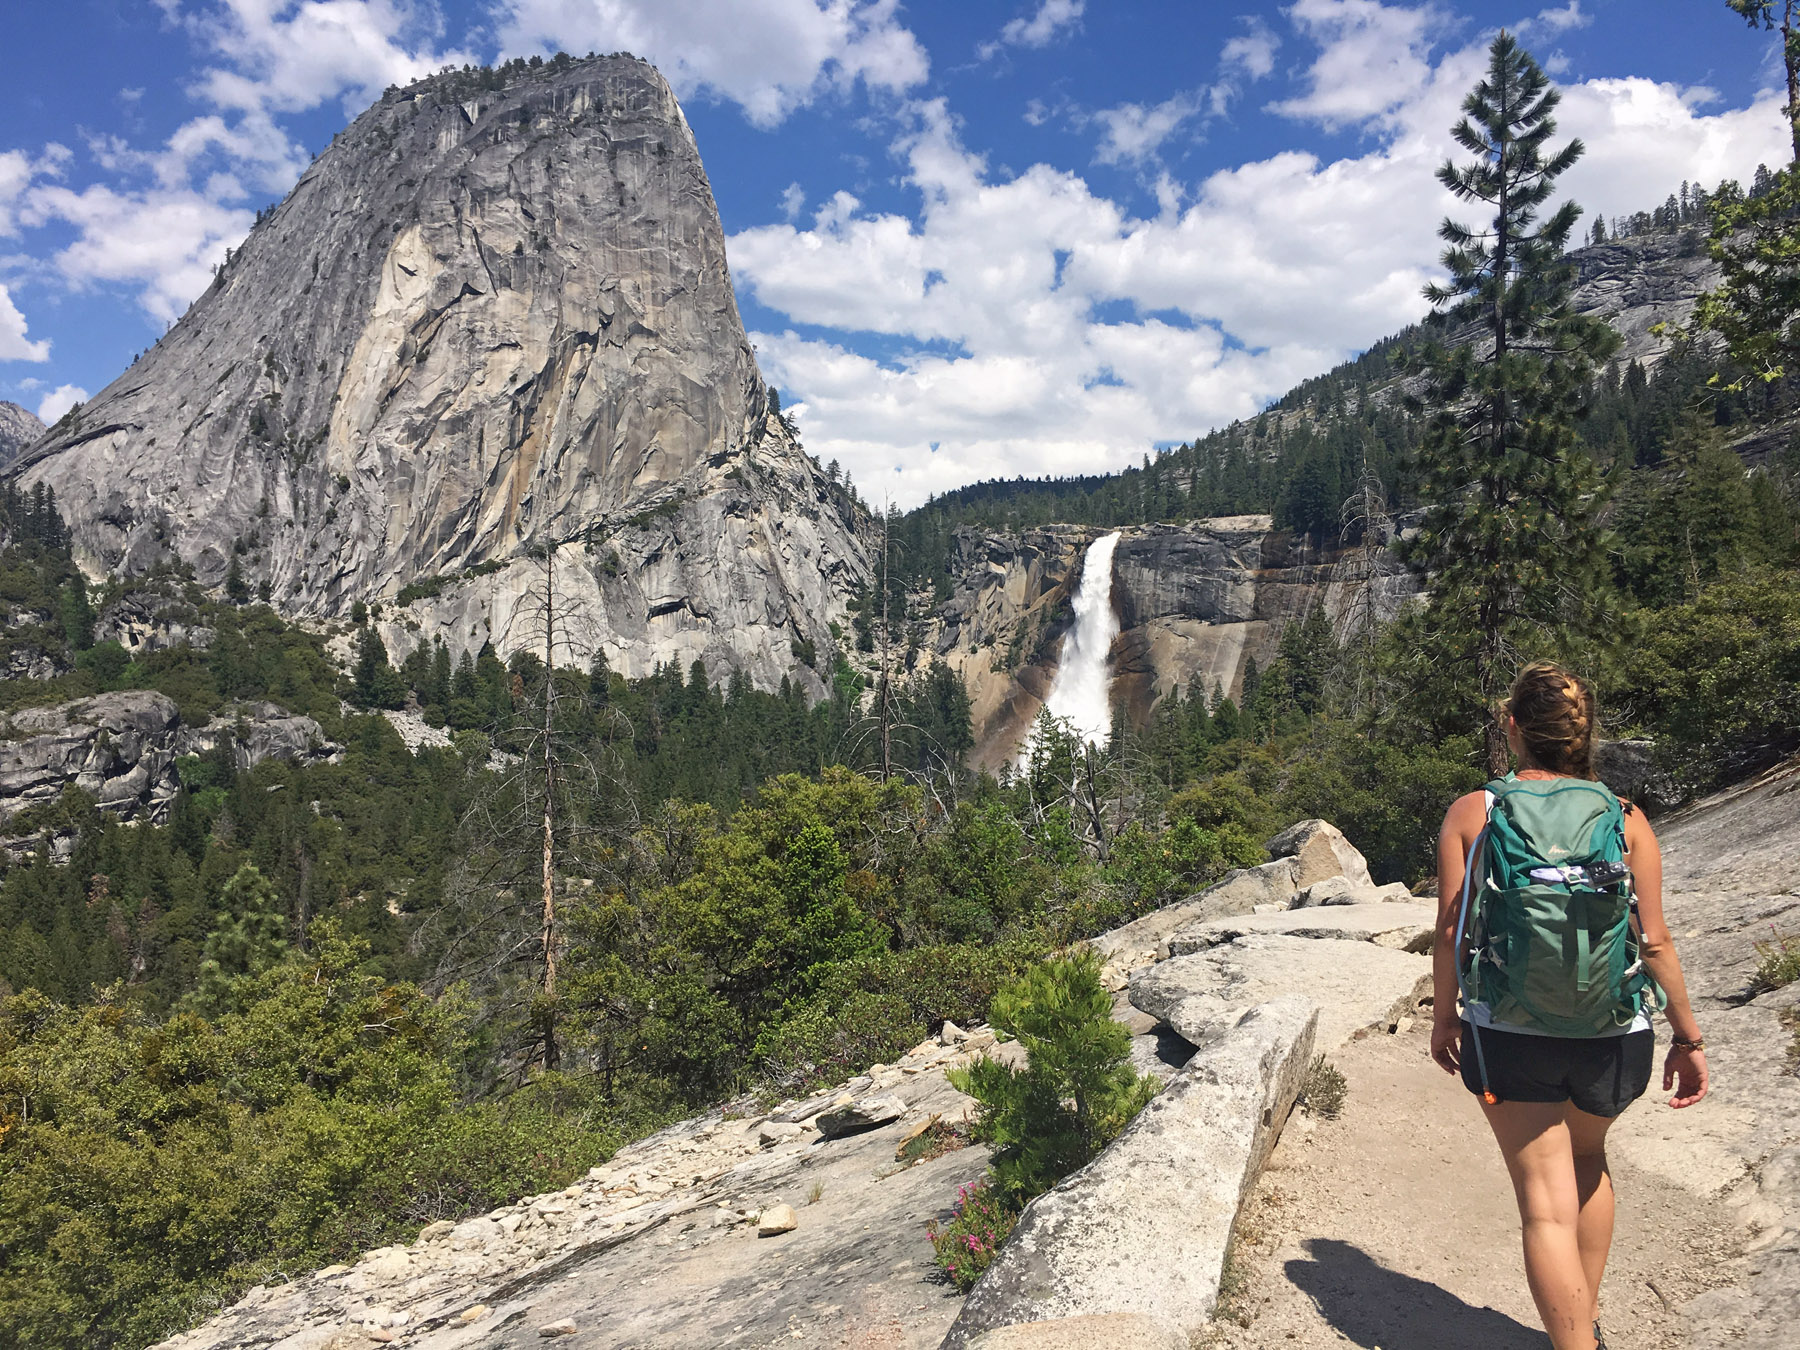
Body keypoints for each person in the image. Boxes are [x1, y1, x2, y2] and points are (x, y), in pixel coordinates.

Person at [1430, 662, 1709, 1350]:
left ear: (1513, 728)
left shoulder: (1476, 812)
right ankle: (1581, 1324)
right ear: (1585, 734)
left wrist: (1444, 1016)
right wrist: (1688, 1037)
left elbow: (1448, 931)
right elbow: (1656, 940)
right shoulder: (1625, 818)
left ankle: (1573, 1341)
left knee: (1544, 1208)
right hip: (1614, 1030)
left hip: (1509, 1032)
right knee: (1589, 1165)